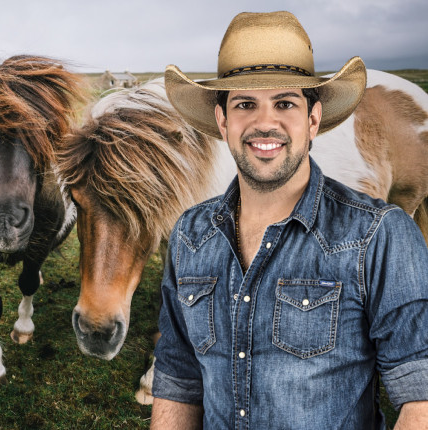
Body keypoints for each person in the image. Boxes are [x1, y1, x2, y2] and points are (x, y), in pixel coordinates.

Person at [151, 11, 428, 429]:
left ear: (313, 120)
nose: (265, 123)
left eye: (285, 103)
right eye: (245, 104)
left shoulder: (379, 234)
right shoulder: (190, 235)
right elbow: (178, 381)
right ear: (222, 121)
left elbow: (420, 397)